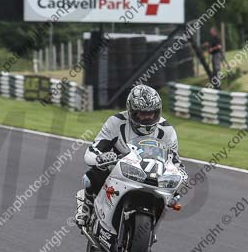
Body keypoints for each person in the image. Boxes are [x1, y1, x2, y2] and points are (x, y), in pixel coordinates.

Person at [74, 85, 188, 229]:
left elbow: (174, 160)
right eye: (142, 114)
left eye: (152, 113)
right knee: (91, 177)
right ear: (131, 111)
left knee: (174, 194)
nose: (148, 117)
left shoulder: (167, 130)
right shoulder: (115, 122)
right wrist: (100, 158)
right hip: (119, 167)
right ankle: (86, 204)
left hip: (152, 173)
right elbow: (93, 150)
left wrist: (181, 172)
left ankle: (150, 227)